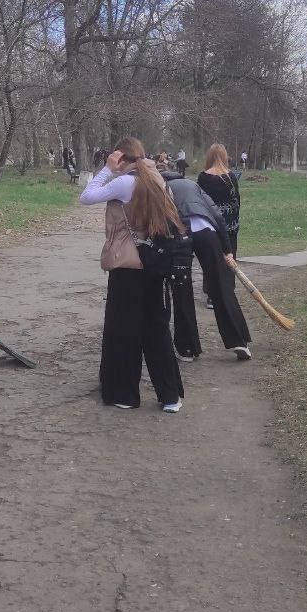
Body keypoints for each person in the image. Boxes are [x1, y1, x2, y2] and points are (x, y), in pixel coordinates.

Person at [79, 136, 184, 412]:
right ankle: (170, 396)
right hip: (155, 262)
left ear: (122, 158)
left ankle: (124, 394)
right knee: (156, 328)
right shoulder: (158, 180)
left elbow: (86, 196)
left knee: (124, 329)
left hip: (128, 263)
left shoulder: (125, 181)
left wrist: (107, 169)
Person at [162, 163, 250, 362]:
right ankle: (239, 340)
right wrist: (227, 249)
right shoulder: (194, 186)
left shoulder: (161, 188)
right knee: (220, 285)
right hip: (206, 232)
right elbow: (218, 216)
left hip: (180, 234)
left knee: (182, 288)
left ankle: (187, 348)